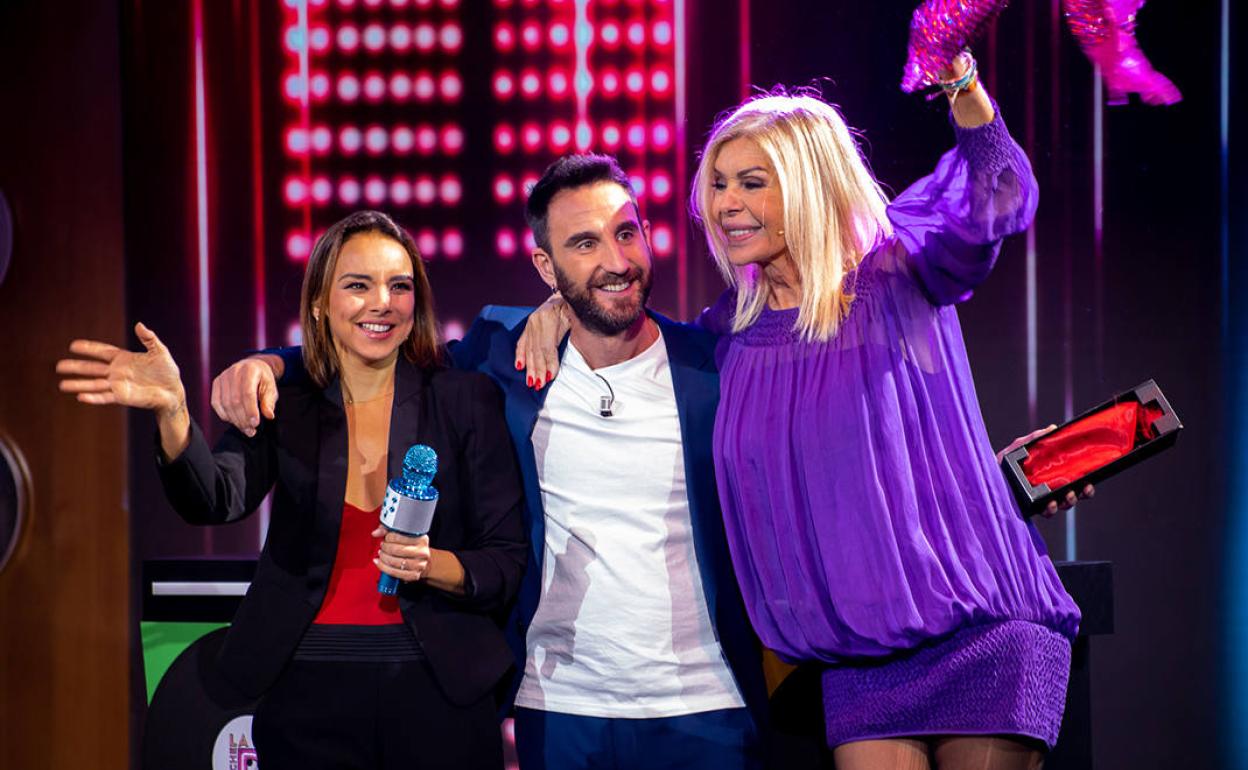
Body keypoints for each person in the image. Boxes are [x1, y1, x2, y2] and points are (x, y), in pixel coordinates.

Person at [512, 56, 1089, 770]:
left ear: (810, 187)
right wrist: (552, 310)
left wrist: (961, 80)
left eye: (753, 183)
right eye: (718, 184)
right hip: (856, 655)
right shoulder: (726, 336)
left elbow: (991, 194)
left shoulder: (897, 274)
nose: (725, 204)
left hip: (981, 630)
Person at [210, 158, 769, 770]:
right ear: (545, 267)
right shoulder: (501, 356)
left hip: (705, 704)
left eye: (626, 232)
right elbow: (375, 345)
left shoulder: (712, 366)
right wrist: (269, 364)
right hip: (559, 707)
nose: (616, 260)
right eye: (585, 243)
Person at [56, 210, 526, 770]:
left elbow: (505, 561)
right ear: (321, 303)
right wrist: (173, 412)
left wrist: (430, 564)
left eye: (399, 286)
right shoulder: (288, 399)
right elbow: (216, 498)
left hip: (439, 688)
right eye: (358, 285)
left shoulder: (466, 399)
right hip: (306, 686)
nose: (383, 302)